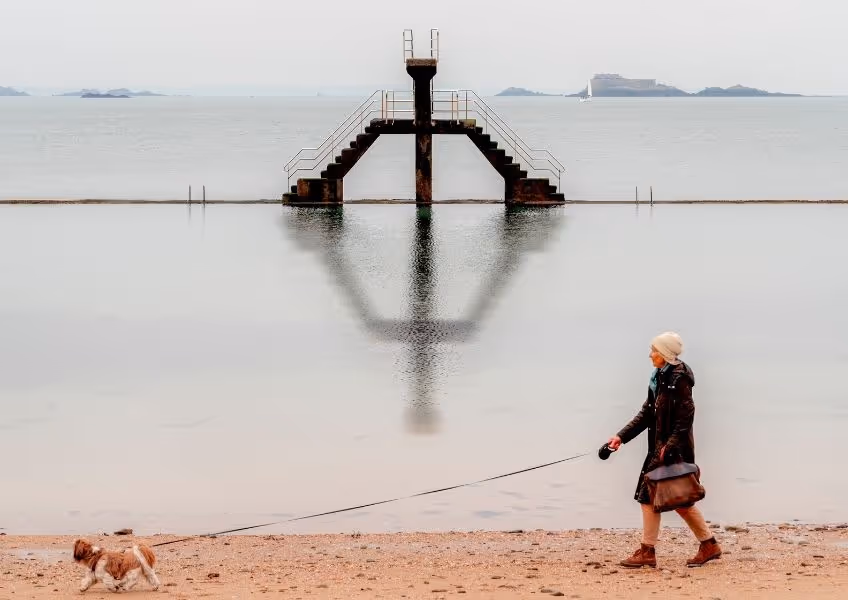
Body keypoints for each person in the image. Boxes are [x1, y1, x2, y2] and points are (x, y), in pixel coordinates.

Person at [607, 332, 721, 568]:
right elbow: (647, 413)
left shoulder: (679, 378)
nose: (650, 355)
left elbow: (687, 415)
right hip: (660, 447)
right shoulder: (658, 377)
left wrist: (670, 446)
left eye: (654, 351)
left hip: (672, 449)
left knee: (651, 496)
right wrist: (621, 437)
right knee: (678, 500)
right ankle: (709, 545)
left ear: (665, 354)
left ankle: (648, 551)